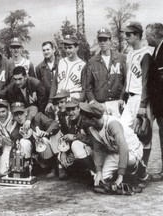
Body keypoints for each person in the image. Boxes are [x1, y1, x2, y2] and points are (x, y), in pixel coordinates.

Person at [79, 102, 148, 193]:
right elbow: (97, 150)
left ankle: (140, 169)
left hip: (132, 149)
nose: (83, 121)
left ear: (93, 120)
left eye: (85, 119)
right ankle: (123, 175)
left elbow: (124, 148)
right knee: (102, 180)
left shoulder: (112, 124)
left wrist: (120, 176)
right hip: (114, 152)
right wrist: (99, 171)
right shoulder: (92, 127)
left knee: (130, 160)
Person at [120, 21, 153, 166]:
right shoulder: (130, 53)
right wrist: (122, 97)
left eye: (129, 35)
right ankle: (133, 165)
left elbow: (146, 82)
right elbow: (128, 79)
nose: (126, 37)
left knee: (143, 134)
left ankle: (143, 169)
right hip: (129, 98)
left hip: (141, 98)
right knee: (123, 130)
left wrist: (143, 105)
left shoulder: (146, 54)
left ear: (138, 36)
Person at [9, 102, 60, 178]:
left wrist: (47, 133)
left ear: (26, 112)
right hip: (34, 155)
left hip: (46, 150)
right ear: (13, 116)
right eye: (16, 115)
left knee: (43, 140)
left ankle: (53, 167)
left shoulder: (38, 117)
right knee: (23, 142)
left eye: (21, 113)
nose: (19, 117)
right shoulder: (15, 131)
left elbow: (54, 124)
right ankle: (29, 168)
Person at [85, 28, 127, 117]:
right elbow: (88, 85)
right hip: (100, 104)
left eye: (105, 39)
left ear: (110, 40)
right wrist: (92, 101)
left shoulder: (121, 58)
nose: (102, 42)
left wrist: (122, 98)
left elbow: (126, 81)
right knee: (102, 130)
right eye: (100, 40)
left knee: (118, 129)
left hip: (117, 103)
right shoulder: (92, 61)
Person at [0, 99, 38, 176]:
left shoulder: (14, 114)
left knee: (24, 144)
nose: (1, 114)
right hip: (8, 147)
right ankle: (13, 167)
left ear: (8, 110)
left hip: (21, 145)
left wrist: (28, 120)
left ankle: (29, 167)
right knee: (1, 172)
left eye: (3, 111)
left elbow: (33, 108)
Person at [55, 97, 95, 180]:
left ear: (79, 109)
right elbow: (66, 138)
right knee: (61, 154)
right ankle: (69, 169)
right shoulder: (70, 121)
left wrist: (75, 137)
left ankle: (94, 172)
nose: (71, 113)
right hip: (82, 150)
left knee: (75, 145)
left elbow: (94, 141)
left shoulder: (86, 120)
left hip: (94, 151)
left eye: (73, 109)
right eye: (68, 110)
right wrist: (64, 152)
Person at [46, 35, 86, 116]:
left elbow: (84, 88)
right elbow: (54, 83)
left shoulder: (83, 65)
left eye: (70, 47)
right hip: (59, 100)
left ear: (77, 47)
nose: (67, 50)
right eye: (66, 48)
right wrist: (50, 101)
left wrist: (79, 102)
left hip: (73, 99)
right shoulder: (61, 62)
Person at [146, 23, 163, 180]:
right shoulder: (155, 52)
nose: (146, 37)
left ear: (156, 35)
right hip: (159, 105)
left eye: (148, 35)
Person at [36, 41, 59, 119]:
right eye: (44, 50)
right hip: (46, 101)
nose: (46, 52)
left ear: (54, 49)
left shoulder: (61, 63)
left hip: (59, 99)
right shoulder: (39, 67)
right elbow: (39, 86)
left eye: (48, 49)